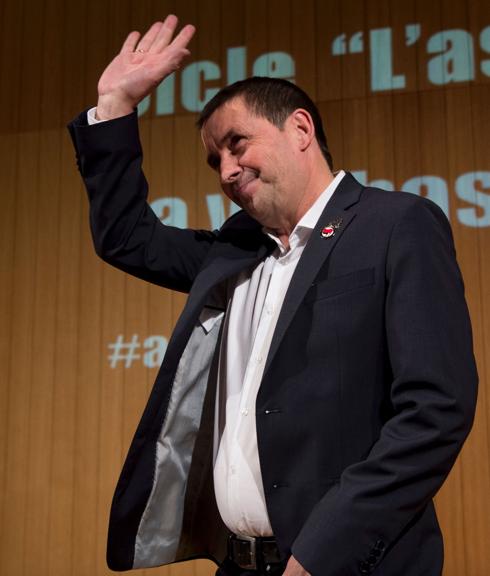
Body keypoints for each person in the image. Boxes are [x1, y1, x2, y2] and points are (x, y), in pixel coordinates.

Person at [68, 15, 478, 576]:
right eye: (215, 160)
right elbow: (126, 238)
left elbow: (435, 411)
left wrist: (323, 550)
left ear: (300, 129)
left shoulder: (396, 225)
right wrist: (114, 105)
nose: (226, 171)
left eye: (237, 144)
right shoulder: (234, 250)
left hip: (347, 565)